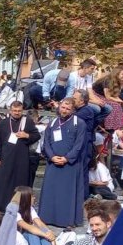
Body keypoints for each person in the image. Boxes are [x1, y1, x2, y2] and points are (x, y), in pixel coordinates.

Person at [38, 98, 87, 228]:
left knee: (67, 193)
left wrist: (67, 158)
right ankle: (47, 217)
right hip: (53, 162)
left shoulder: (79, 123)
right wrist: (52, 156)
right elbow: (46, 142)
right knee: (51, 191)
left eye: (67, 109)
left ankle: (67, 220)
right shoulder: (53, 122)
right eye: (63, 107)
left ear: (73, 110)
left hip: (70, 164)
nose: (64, 110)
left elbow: (79, 144)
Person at [0, 99, 41, 212]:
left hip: (21, 158)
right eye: (14, 110)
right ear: (10, 110)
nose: (17, 113)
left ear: (22, 110)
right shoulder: (4, 123)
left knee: (20, 182)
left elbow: (36, 135)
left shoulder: (27, 121)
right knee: (4, 182)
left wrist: (27, 135)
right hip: (6, 157)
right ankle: (1, 207)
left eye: (19, 111)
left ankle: (20, 207)